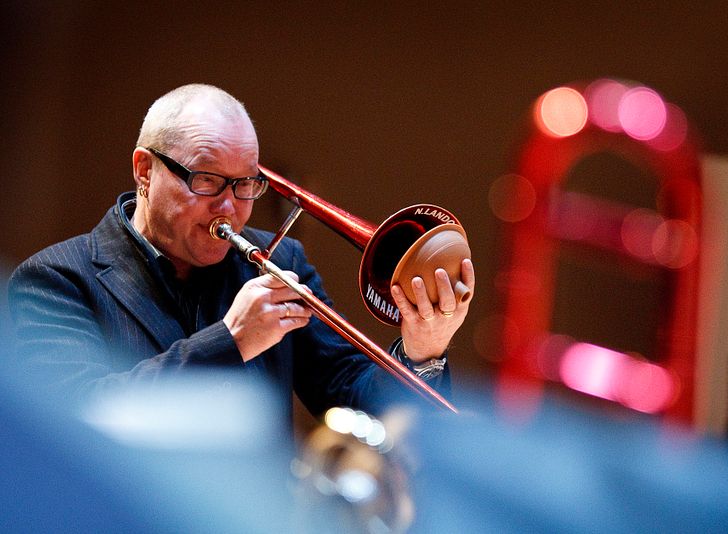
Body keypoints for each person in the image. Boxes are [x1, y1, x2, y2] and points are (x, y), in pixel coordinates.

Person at [8, 84, 474, 421]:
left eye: (246, 184)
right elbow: (77, 420)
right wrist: (230, 341)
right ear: (145, 170)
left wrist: (423, 350)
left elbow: (360, 406)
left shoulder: (283, 264)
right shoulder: (54, 281)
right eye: (206, 180)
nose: (230, 207)